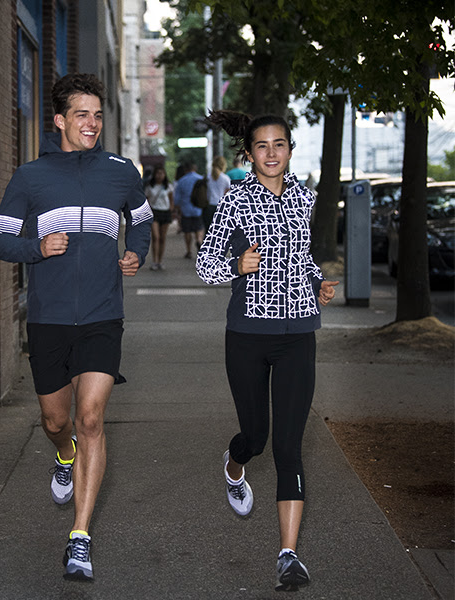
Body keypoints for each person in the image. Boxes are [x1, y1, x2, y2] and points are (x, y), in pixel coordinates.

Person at [0, 73, 152, 581]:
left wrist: (136, 251)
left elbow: (142, 218)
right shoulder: (31, 177)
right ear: (59, 119)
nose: (92, 124)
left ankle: (79, 537)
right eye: (81, 114)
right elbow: (0, 240)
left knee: (90, 419)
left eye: (98, 115)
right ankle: (64, 457)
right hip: (49, 319)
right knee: (58, 424)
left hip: (104, 315)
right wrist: (36, 247)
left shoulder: (121, 171)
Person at [196, 111, 338, 592]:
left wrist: (317, 282)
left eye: (280, 144)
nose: (272, 152)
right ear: (250, 153)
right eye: (262, 146)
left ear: (291, 150)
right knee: (256, 437)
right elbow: (205, 266)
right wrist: (237, 263)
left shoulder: (305, 197)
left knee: (289, 446)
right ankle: (235, 464)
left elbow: (303, 254)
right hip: (249, 335)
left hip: (299, 333)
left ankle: (288, 555)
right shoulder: (234, 201)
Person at [144, 164, 174, 270]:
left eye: (161, 173)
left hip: (165, 212)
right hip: (154, 212)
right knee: (156, 237)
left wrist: (171, 210)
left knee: (162, 238)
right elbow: (146, 200)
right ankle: (154, 261)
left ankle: (160, 261)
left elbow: (171, 200)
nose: (159, 175)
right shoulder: (150, 186)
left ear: (165, 175)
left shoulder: (168, 186)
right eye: (157, 173)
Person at [173, 160, 205, 258]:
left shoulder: (181, 181)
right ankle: (199, 241)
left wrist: (176, 209)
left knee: (187, 231)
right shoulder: (201, 179)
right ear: (195, 169)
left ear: (185, 170)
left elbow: (177, 198)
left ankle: (188, 251)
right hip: (198, 209)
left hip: (186, 209)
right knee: (199, 228)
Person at [203, 156, 231, 233]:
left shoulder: (207, 177)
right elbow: (229, 194)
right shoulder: (225, 178)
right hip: (221, 208)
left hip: (208, 207)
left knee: (208, 232)